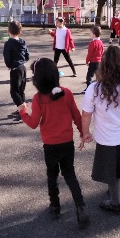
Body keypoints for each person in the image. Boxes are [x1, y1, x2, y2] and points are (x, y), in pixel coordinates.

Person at [17, 58, 90, 227]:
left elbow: (33, 123)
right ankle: (81, 206)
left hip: (50, 145)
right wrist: (83, 132)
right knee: (70, 174)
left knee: (52, 175)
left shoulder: (39, 98)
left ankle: (55, 206)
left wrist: (23, 112)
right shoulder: (67, 93)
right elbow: (76, 116)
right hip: (66, 142)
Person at [80, 45, 120, 214]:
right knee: (119, 165)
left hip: (105, 137)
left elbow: (86, 114)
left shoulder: (94, 88)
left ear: (103, 64)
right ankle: (117, 189)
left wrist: (85, 132)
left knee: (111, 171)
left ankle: (115, 203)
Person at [3, 20, 30, 121]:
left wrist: (10, 65)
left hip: (15, 69)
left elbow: (7, 57)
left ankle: (21, 108)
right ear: (20, 31)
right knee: (21, 90)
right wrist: (22, 61)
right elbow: (27, 55)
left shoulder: (8, 43)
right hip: (23, 68)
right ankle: (22, 109)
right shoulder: (22, 42)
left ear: (8, 31)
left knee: (14, 91)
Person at [84, 24, 104, 92]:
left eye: (91, 33)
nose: (90, 34)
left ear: (94, 34)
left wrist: (87, 60)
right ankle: (101, 87)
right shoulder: (101, 42)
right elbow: (102, 51)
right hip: (99, 61)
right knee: (99, 76)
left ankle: (88, 88)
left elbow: (90, 53)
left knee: (89, 76)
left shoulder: (92, 43)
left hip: (93, 61)